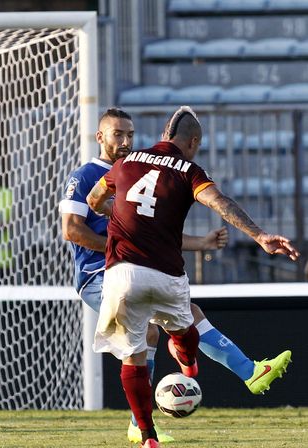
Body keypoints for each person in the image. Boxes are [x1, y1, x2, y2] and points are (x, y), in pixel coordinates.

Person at [60, 108, 293, 444]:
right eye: (117, 135)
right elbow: (72, 231)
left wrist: (200, 242)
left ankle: (247, 371)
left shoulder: (131, 166)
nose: (125, 141)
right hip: (98, 272)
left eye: (130, 134)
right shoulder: (85, 175)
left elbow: (153, 231)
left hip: (129, 269)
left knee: (186, 319)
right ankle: (146, 415)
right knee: (153, 333)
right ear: (100, 137)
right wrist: (122, 237)